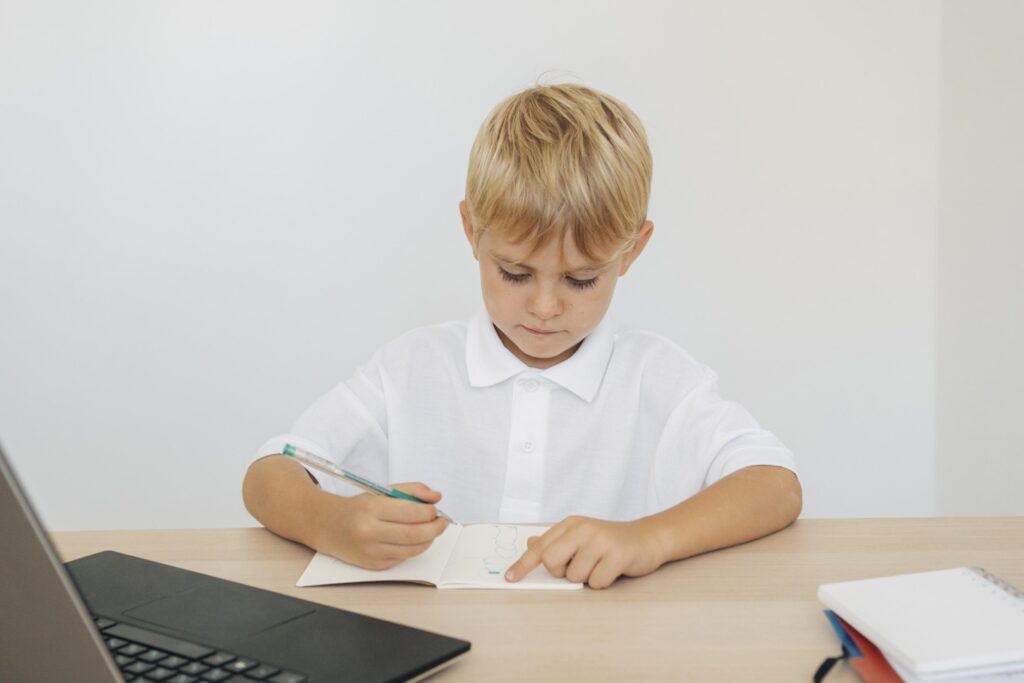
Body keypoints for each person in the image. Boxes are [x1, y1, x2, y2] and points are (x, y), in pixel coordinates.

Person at [242, 83, 802, 589]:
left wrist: (647, 538)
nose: (544, 306)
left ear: (631, 251)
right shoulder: (410, 368)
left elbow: (776, 486)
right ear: (471, 231)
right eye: (515, 273)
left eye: (581, 279)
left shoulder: (659, 379)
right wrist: (331, 522)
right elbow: (270, 472)